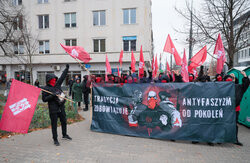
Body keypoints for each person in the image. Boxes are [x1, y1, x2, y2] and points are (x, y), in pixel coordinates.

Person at [42, 64, 72, 146]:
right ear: (49, 80)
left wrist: (66, 69)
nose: (54, 80)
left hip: (61, 107)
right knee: (54, 124)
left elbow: (62, 77)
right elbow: (44, 99)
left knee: (64, 121)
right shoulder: (45, 88)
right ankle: (55, 139)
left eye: (55, 79)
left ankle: (64, 134)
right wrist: (52, 96)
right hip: (53, 109)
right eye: (52, 79)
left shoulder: (57, 85)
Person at [224, 71, 249, 146]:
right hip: (226, 109)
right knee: (224, 124)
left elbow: (245, 85)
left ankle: (235, 139)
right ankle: (222, 138)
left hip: (235, 109)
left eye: (230, 79)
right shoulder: (222, 88)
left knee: (234, 124)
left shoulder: (238, 87)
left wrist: (245, 76)